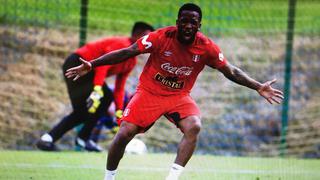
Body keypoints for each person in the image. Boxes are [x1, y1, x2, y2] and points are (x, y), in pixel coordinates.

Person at [65, 3, 284, 180]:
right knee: (123, 134)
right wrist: (92, 65)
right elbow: (128, 52)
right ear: (178, 22)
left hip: (178, 97)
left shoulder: (206, 47)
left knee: (194, 126)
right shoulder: (160, 37)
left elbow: (230, 71)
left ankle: (172, 178)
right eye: (185, 21)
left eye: (193, 22)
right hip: (149, 93)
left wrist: (258, 86)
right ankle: (109, 177)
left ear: (199, 25)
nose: (188, 26)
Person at [36, 21, 154, 152]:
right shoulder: (122, 45)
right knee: (105, 97)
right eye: (146, 37)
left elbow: (119, 87)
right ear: (137, 35)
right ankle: (84, 139)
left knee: (81, 112)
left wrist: (119, 113)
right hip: (77, 64)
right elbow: (102, 65)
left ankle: (47, 139)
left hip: (89, 72)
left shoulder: (132, 61)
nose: (148, 42)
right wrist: (97, 90)